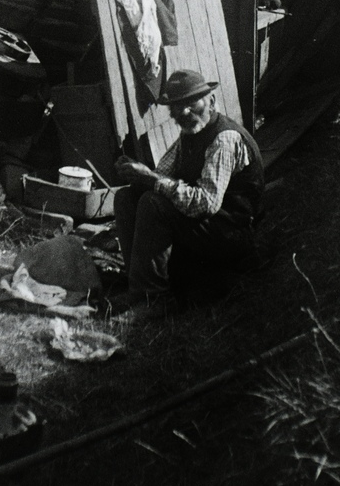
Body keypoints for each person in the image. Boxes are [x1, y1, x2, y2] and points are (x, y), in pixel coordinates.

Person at [109, 69, 264, 313]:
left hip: (229, 234)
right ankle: (137, 287)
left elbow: (205, 203)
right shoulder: (190, 134)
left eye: (191, 104)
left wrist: (151, 179)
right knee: (126, 197)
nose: (183, 113)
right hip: (205, 227)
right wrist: (136, 173)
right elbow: (164, 173)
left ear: (211, 101)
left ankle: (154, 299)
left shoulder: (224, 140)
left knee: (153, 203)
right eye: (176, 107)